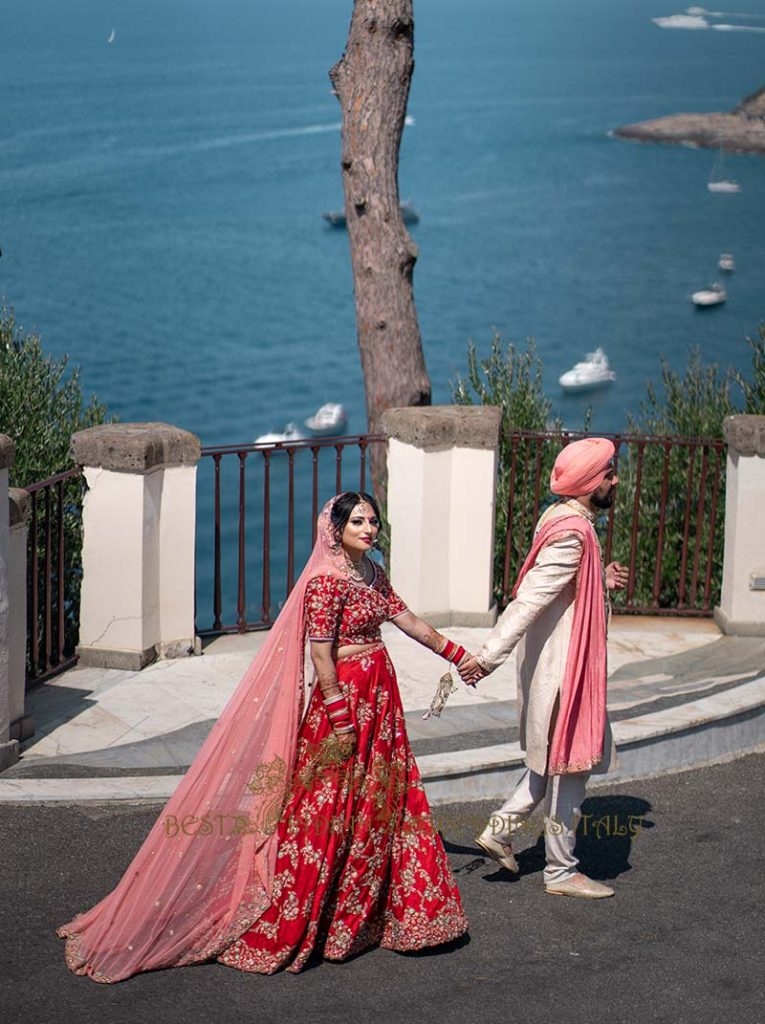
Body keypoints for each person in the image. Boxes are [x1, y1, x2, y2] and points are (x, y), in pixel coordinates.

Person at [58, 492, 468, 982]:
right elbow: (321, 658)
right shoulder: (325, 583)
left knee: (379, 800)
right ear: (334, 529)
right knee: (325, 809)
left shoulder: (374, 575)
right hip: (344, 705)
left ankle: (360, 917)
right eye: (358, 521)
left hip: (381, 696)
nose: (369, 528)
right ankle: (307, 914)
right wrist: (340, 717)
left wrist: (462, 657)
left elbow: (410, 623)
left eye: (374, 521)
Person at [459, 438, 629, 899]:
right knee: (571, 767)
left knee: (552, 761)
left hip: (559, 666)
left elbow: (563, 589)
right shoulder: (574, 534)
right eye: (609, 474)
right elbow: (530, 599)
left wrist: (600, 578)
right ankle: (561, 870)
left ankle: (499, 830)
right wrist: (486, 656)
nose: (616, 479)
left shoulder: (559, 518)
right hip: (565, 673)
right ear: (591, 483)